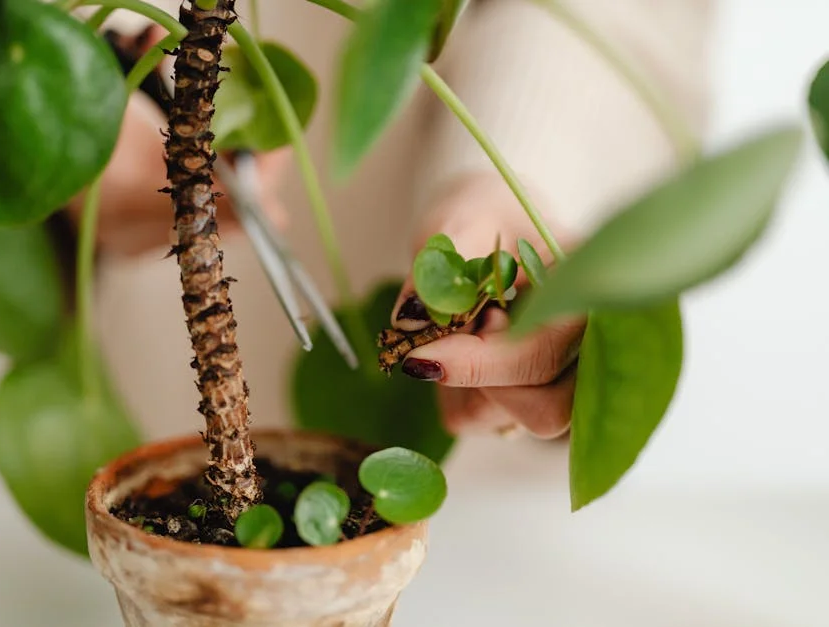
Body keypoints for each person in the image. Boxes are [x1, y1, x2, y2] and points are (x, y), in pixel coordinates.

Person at [76, 0, 713, 443]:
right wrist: (72, 116)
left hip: (484, 507)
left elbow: (632, 16)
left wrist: (515, 170)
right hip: (143, 391)